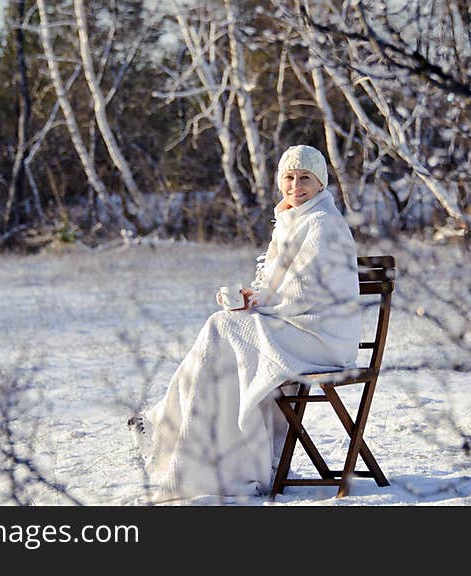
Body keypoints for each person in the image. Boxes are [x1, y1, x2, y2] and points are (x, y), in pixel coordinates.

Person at [130, 145, 362, 501]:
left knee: (223, 329)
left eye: (304, 179)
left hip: (322, 334)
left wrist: (262, 302)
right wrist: (254, 297)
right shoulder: (292, 219)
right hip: (295, 326)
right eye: (288, 178)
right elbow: (277, 280)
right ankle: (208, 450)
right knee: (223, 328)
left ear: (320, 184)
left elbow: (305, 290)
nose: (295, 186)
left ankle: (172, 429)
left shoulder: (323, 224)